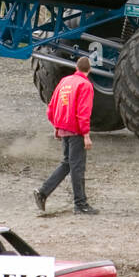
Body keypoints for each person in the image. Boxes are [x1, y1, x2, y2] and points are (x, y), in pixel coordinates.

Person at [33, 55, 97, 215]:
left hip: (64, 128)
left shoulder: (65, 82)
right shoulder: (85, 85)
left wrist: (56, 126)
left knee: (67, 163)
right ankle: (80, 204)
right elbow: (83, 112)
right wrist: (86, 135)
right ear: (89, 69)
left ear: (76, 67)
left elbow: (52, 106)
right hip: (75, 130)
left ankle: (43, 192)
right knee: (77, 166)